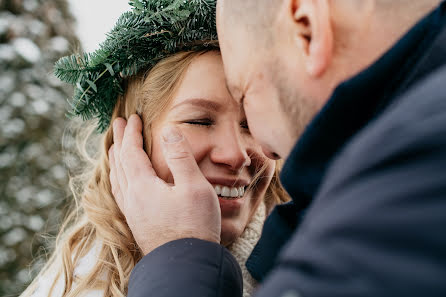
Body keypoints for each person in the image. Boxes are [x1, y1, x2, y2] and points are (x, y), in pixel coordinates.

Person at [113, 0, 446, 296]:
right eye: (199, 121)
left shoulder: (403, 181)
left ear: (307, 29)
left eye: (245, 98)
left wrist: (179, 253)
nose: (243, 154)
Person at [20, 2, 289, 297]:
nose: (236, 154)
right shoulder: (72, 288)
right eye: (199, 121)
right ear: (133, 144)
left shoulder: (321, 258)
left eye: (251, 123)